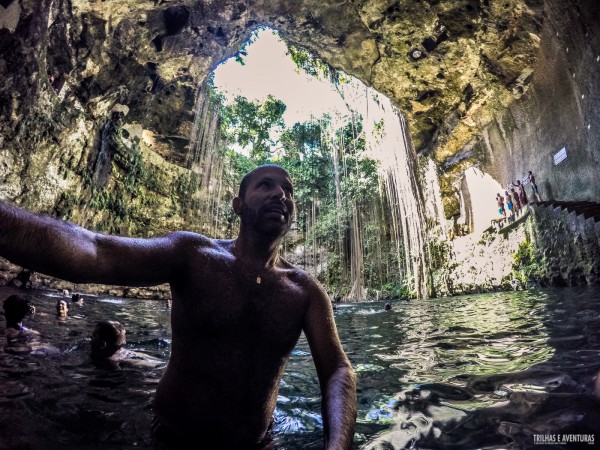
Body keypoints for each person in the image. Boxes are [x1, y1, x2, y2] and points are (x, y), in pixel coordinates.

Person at [0, 164, 357, 449]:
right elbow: (95, 250)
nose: (280, 194)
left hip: (258, 442)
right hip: (172, 438)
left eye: (288, 190)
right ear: (237, 205)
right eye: (265, 185)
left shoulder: (305, 290)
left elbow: (338, 370)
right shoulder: (195, 255)